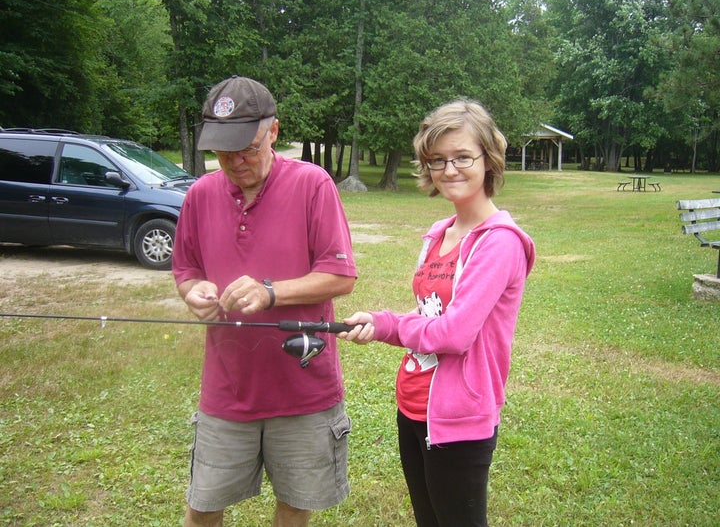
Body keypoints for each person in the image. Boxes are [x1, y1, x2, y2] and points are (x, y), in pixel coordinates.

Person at [340, 99, 535, 527]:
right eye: (437, 160)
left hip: (459, 417)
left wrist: (389, 326)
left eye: (463, 157)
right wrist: (376, 321)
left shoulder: (499, 243)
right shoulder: (439, 234)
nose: (449, 170)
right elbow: (429, 311)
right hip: (413, 404)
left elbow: (454, 333)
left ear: (489, 159)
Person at [172, 76, 357, 527]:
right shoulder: (199, 195)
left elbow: (340, 275)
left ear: (273, 132)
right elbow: (186, 269)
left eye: (249, 148)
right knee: (202, 506)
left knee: (295, 505)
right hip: (227, 388)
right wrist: (192, 291)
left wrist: (269, 292)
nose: (236, 161)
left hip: (303, 388)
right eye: (223, 151)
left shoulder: (312, 185)